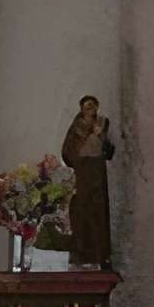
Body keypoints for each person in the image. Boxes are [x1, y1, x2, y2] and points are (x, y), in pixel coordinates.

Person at [60, 95, 115, 268]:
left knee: (98, 211)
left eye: (92, 106)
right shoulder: (77, 126)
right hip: (82, 171)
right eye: (86, 107)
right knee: (82, 210)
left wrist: (101, 137)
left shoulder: (103, 123)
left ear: (97, 107)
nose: (89, 110)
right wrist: (79, 159)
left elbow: (109, 151)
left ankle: (100, 254)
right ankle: (81, 253)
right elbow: (67, 151)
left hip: (97, 172)